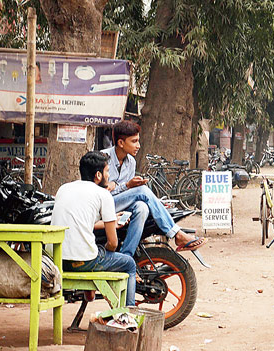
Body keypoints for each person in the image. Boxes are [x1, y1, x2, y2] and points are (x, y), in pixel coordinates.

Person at [101, 121, 206, 255]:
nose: (138, 146)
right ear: (121, 143)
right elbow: (100, 193)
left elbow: (127, 192)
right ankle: (177, 234)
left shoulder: (131, 162)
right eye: (134, 141)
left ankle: (127, 258)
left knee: (142, 207)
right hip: (105, 206)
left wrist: (129, 186)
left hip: (121, 206)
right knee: (143, 191)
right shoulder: (103, 158)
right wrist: (127, 186)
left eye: (138, 141)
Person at [51, 151, 137, 306]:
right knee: (129, 264)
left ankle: (89, 292)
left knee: (89, 247)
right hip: (84, 262)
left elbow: (80, 222)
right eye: (107, 172)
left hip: (57, 260)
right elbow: (113, 243)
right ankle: (129, 313)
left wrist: (109, 222)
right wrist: (104, 249)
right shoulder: (103, 195)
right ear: (98, 175)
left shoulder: (63, 188)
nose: (109, 176)